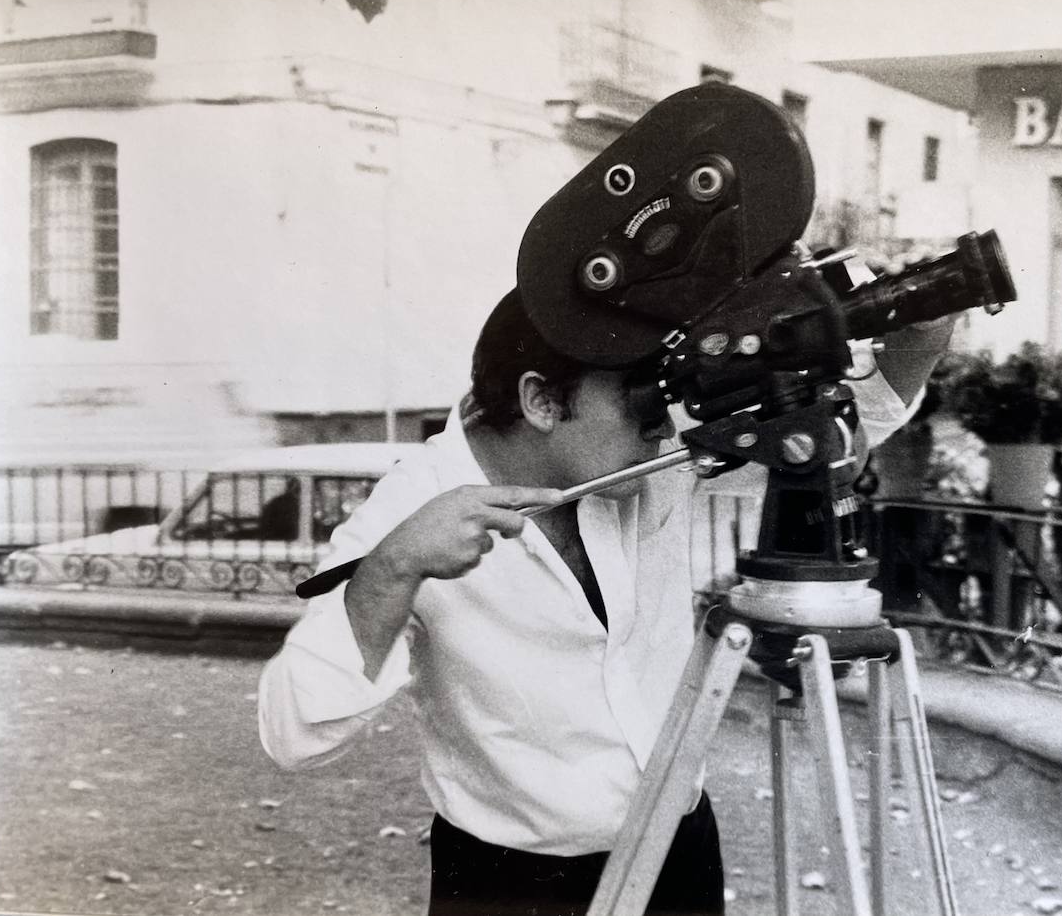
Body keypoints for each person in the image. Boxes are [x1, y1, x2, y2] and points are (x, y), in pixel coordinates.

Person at [258, 286, 956, 915]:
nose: (663, 426)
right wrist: (394, 570)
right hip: (510, 886)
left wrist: (917, 343)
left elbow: (822, 431)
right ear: (540, 400)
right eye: (641, 405)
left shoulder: (639, 457)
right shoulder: (408, 511)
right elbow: (296, 732)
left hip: (678, 852)